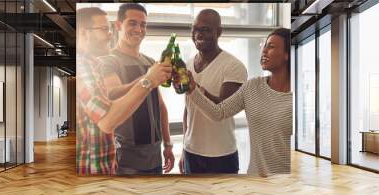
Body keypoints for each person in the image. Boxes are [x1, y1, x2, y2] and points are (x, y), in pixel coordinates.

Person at [76, 7, 172, 175]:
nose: (139, 29)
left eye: (143, 24)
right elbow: (112, 96)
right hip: (126, 158)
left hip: (151, 156)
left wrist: (168, 144)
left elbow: (161, 106)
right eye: (132, 23)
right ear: (119, 25)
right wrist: (148, 80)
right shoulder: (105, 62)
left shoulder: (150, 62)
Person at [187, 28, 292, 177]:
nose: (264, 51)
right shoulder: (252, 86)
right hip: (255, 180)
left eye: (271, 47)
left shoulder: (297, 97)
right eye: (264, 45)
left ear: (287, 54)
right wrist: (192, 89)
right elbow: (219, 112)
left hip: (288, 182)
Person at [178, 9, 247, 174]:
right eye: (195, 29)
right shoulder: (187, 65)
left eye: (205, 29)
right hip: (191, 152)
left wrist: (196, 88)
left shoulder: (233, 66)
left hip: (221, 155)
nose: (198, 34)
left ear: (219, 32)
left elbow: (223, 108)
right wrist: (183, 146)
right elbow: (188, 109)